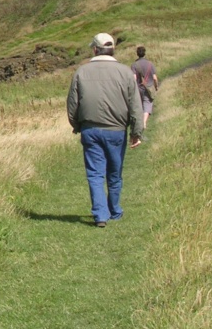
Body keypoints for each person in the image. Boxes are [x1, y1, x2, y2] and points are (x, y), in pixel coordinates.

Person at [67, 33, 145, 227]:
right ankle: (115, 210)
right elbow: (135, 105)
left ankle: (100, 215)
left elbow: (72, 104)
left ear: (95, 49)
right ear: (112, 50)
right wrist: (136, 132)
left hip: (90, 129)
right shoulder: (125, 72)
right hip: (116, 130)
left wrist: (77, 125)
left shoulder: (81, 72)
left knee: (95, 174)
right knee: (114, 173)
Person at [131, 46, 159, 130]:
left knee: (139, 105)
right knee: (147, 104)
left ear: (137, 53)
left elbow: (134, 78)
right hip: (149, 87)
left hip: (138, 88)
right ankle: (144, 122)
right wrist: (156, 86)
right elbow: (154, 78)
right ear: (144, 53)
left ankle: (138, 123)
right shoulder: (150, 64)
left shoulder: (134, 65)